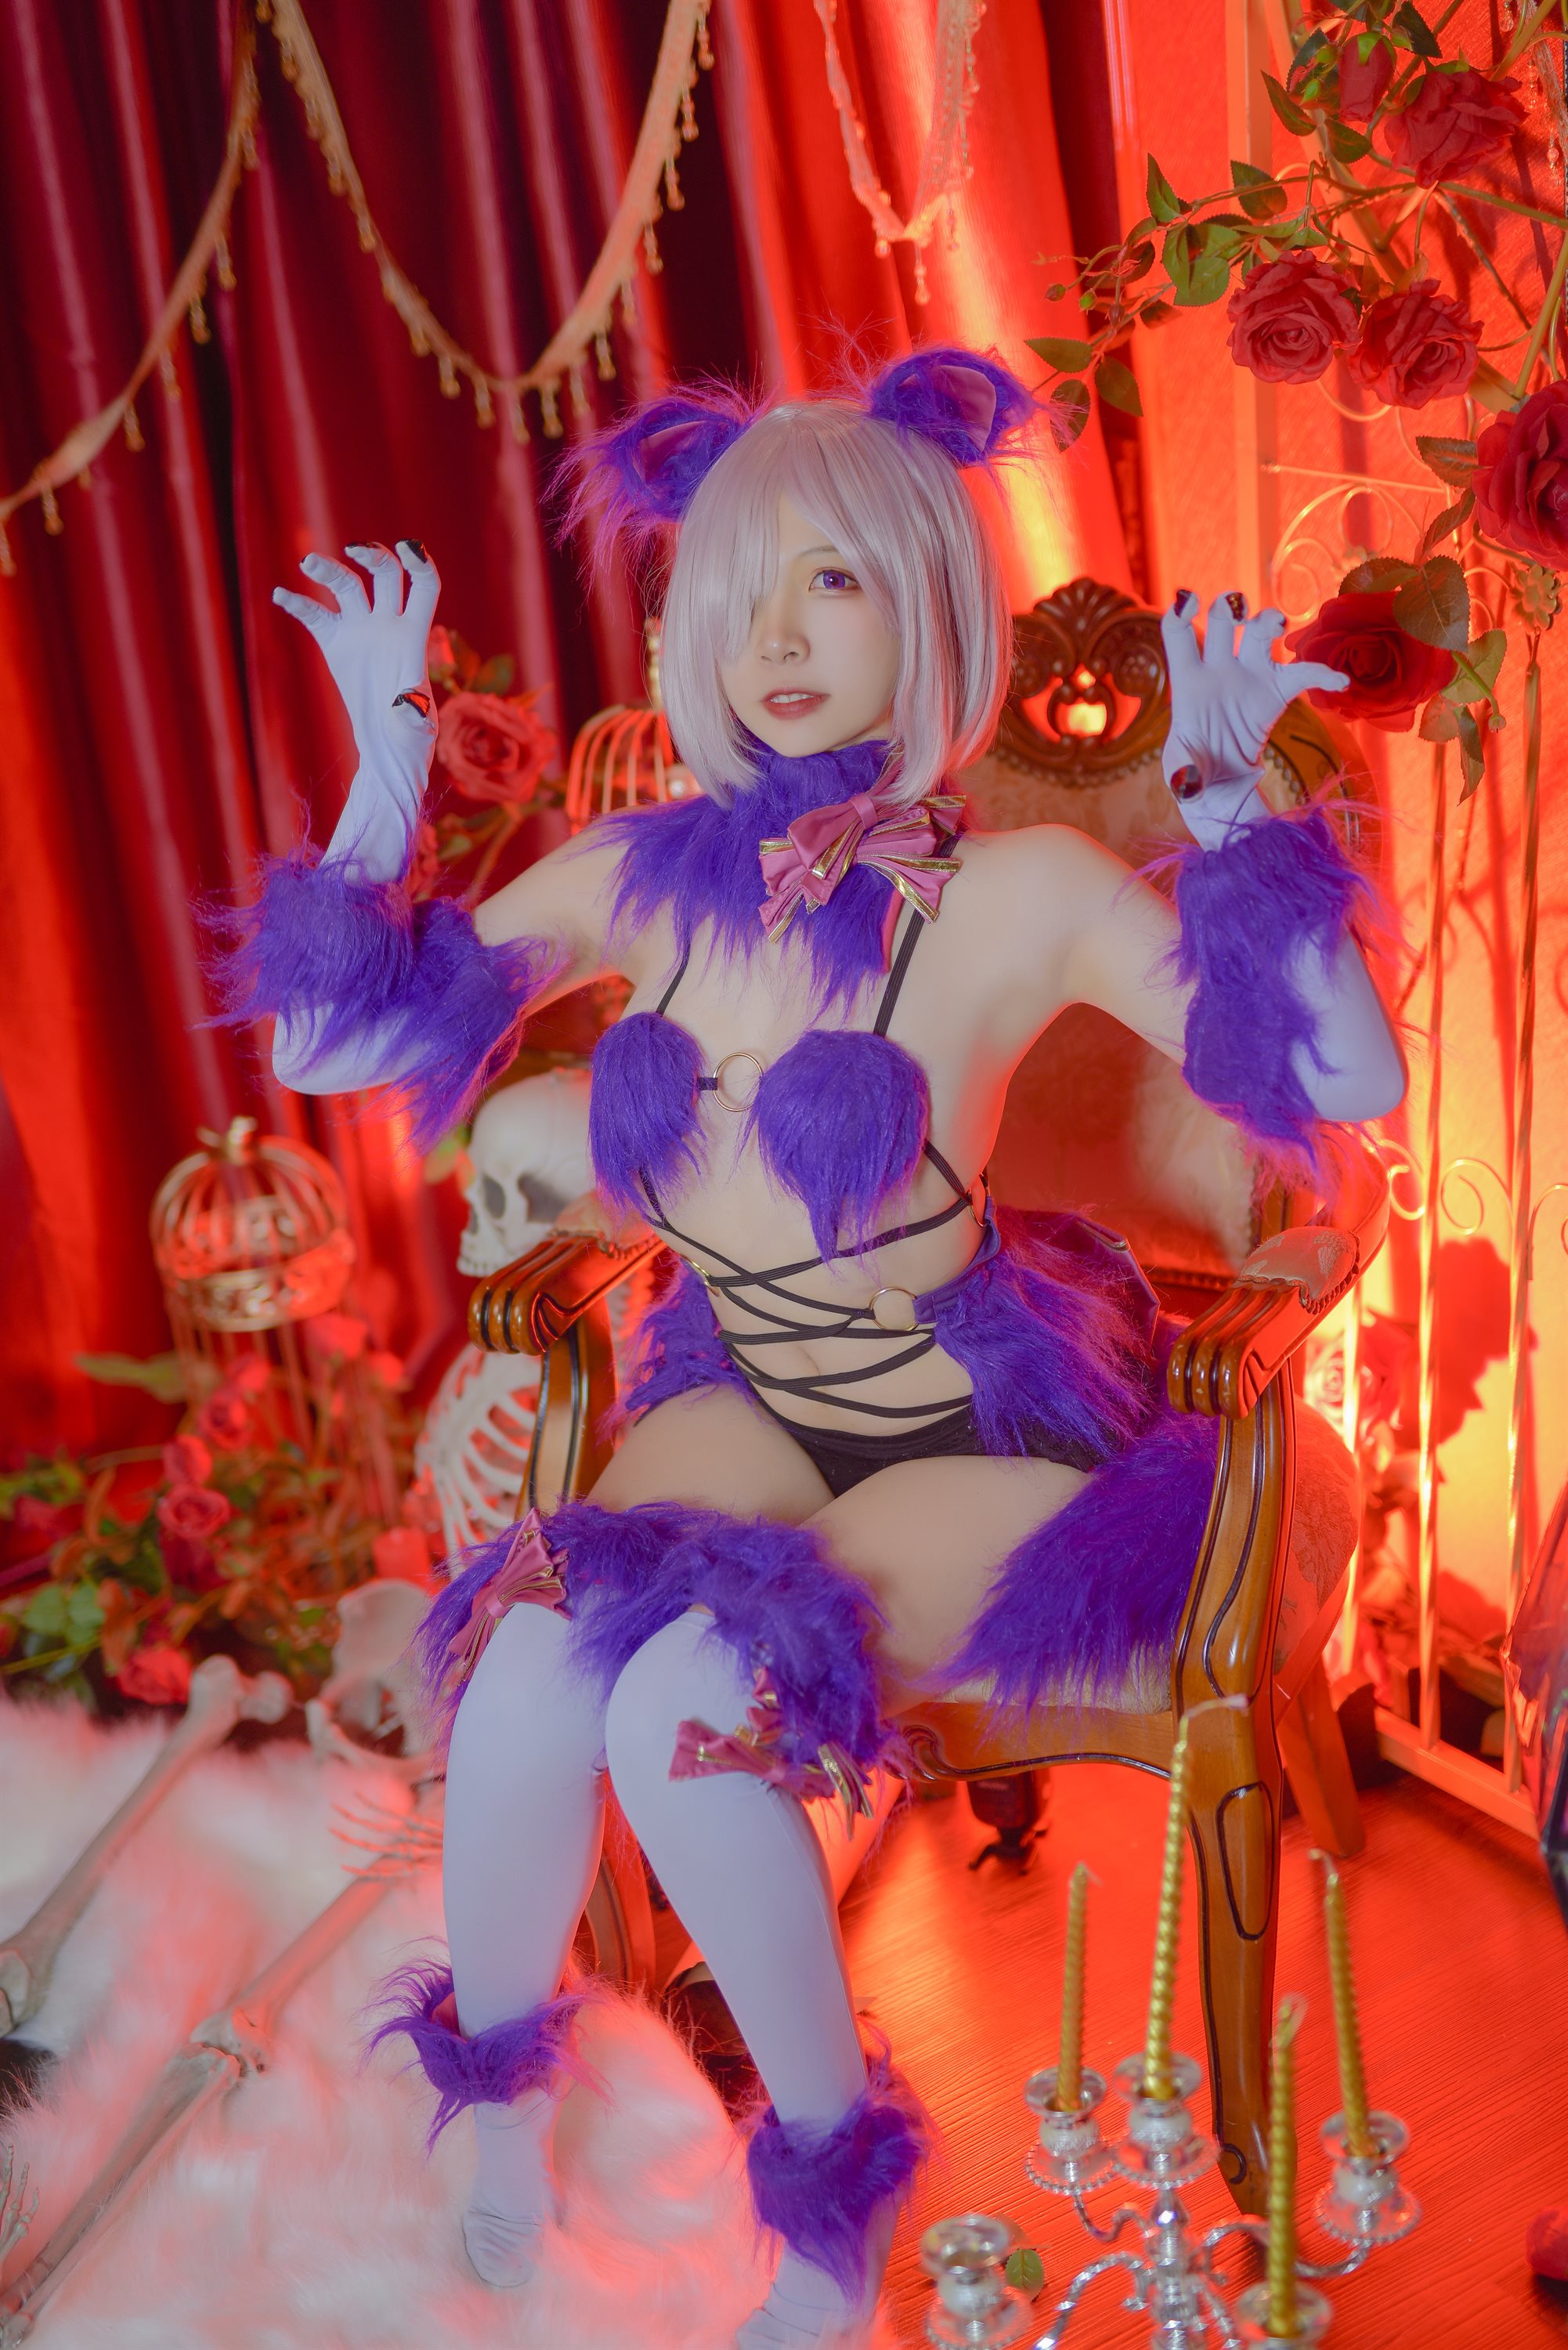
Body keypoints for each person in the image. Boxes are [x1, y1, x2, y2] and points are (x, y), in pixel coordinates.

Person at [215, 348, 1404, 2348]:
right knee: (527, 1674)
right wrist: (386, 762)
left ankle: (835, 2205)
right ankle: (497, 2125)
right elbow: (329, 1045)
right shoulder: (644, 877)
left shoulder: (1018, 887)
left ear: (923, 598)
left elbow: (1340, 1079)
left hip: (970, 1421)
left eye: (831, 583)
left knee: (685, 1701)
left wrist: (1231, 816)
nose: (773, 640)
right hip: (749, 1391)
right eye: (738, 589)